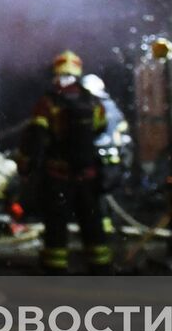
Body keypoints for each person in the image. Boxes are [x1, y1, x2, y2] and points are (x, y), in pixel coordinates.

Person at [22, 50, 111, 273]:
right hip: (87, 174)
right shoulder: (92, 100)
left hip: (58, 174)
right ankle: (100, 265)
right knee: (91, 223)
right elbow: (101, 127)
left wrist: (28, 163)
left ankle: (55, 268)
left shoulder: (49, 101)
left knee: (56, 223)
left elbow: (37, 135)